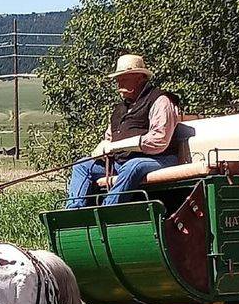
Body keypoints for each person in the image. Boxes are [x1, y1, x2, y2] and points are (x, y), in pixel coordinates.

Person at [66, 53, 180, 208]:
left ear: (140, 78)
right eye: (117, 79)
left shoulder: (160, 100)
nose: (118, 83)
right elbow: (110, 138)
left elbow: (159, 140)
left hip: (160, 159)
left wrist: (114, 146)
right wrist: (104, 146)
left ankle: (107, 211)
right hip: (122, 161)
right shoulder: (120, 109)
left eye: (124, 78)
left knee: (133, 165)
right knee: (81, 165)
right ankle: (72, 213)